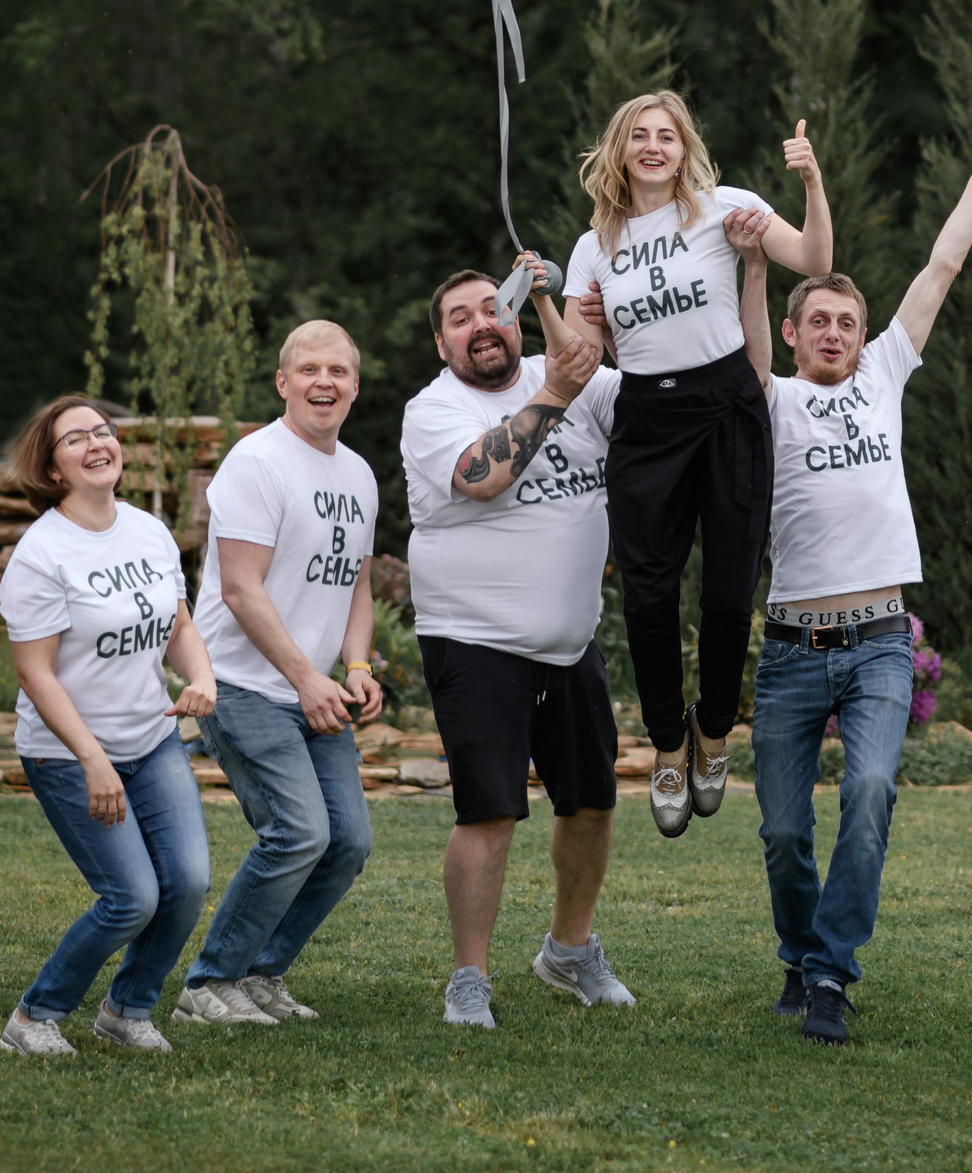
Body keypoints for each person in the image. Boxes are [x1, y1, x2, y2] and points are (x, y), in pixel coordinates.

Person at [731, 102, 972, 1046]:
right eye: (817, 319)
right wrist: (751, 256)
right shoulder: (770, 398)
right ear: (791, 334)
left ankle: (830, 972)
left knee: (868, 793)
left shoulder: (883, 377)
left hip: (877, 642)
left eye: (847, 321)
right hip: (787, 647)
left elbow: (941, 266)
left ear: (865, 335)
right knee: (783, 832)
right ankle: (799, 951)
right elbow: (743, 330)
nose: (834, 332)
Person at [562, 90, 830, 837]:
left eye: (667, 136)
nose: (653, 146)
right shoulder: (595, 245)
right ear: (619, 150)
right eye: (639, 136)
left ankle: (713, 729)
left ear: (685, 149)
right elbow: (580, 357)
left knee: (728, 587)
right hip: (646, 415)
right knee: (647, 595)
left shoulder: (725, 207)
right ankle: (668, 744)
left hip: (726, 406)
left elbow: (815, 259)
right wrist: (548, 302)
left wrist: (810, 181)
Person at [401, 261, 637, 1029]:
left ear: (515, 319)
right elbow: (480, 475)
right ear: (443, 344)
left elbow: (647, 405)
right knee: (489, 810)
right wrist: (558, 391)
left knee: (594, 800)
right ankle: (469, 977)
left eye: (490, 309)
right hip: (474, 639)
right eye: (460, 319)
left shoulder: (565, 373)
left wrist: (564, 301)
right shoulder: (433, 409)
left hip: (569, 642)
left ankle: (569, 952)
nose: (480, 325)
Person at [176, 319, 384, 1027]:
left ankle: (262, 971)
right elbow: (240, 588)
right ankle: (208, 983)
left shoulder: (357, 472)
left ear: (355, 384)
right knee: (298, 832)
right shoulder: (256, 461)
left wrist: (354, 664)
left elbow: (356, 581)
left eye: (338, 371)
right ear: (283, 382)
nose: (323, 382)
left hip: (313, 690)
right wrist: (306, 676)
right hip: (241, 683)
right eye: (308, 369)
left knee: (348, 839)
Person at [0, 396, 218, 1057]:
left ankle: (127, 1009)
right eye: (76, 439)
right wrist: (92, 758)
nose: (97, 443)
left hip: (149, 741)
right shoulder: (40, 554)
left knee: (188, 882)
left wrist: (200, 676)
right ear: (53, 465)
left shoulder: (149, 530)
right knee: (131, 897)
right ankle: (33, 1016)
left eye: (104, 431)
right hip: (69, 753)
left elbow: (178, 625)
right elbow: (37, 674)